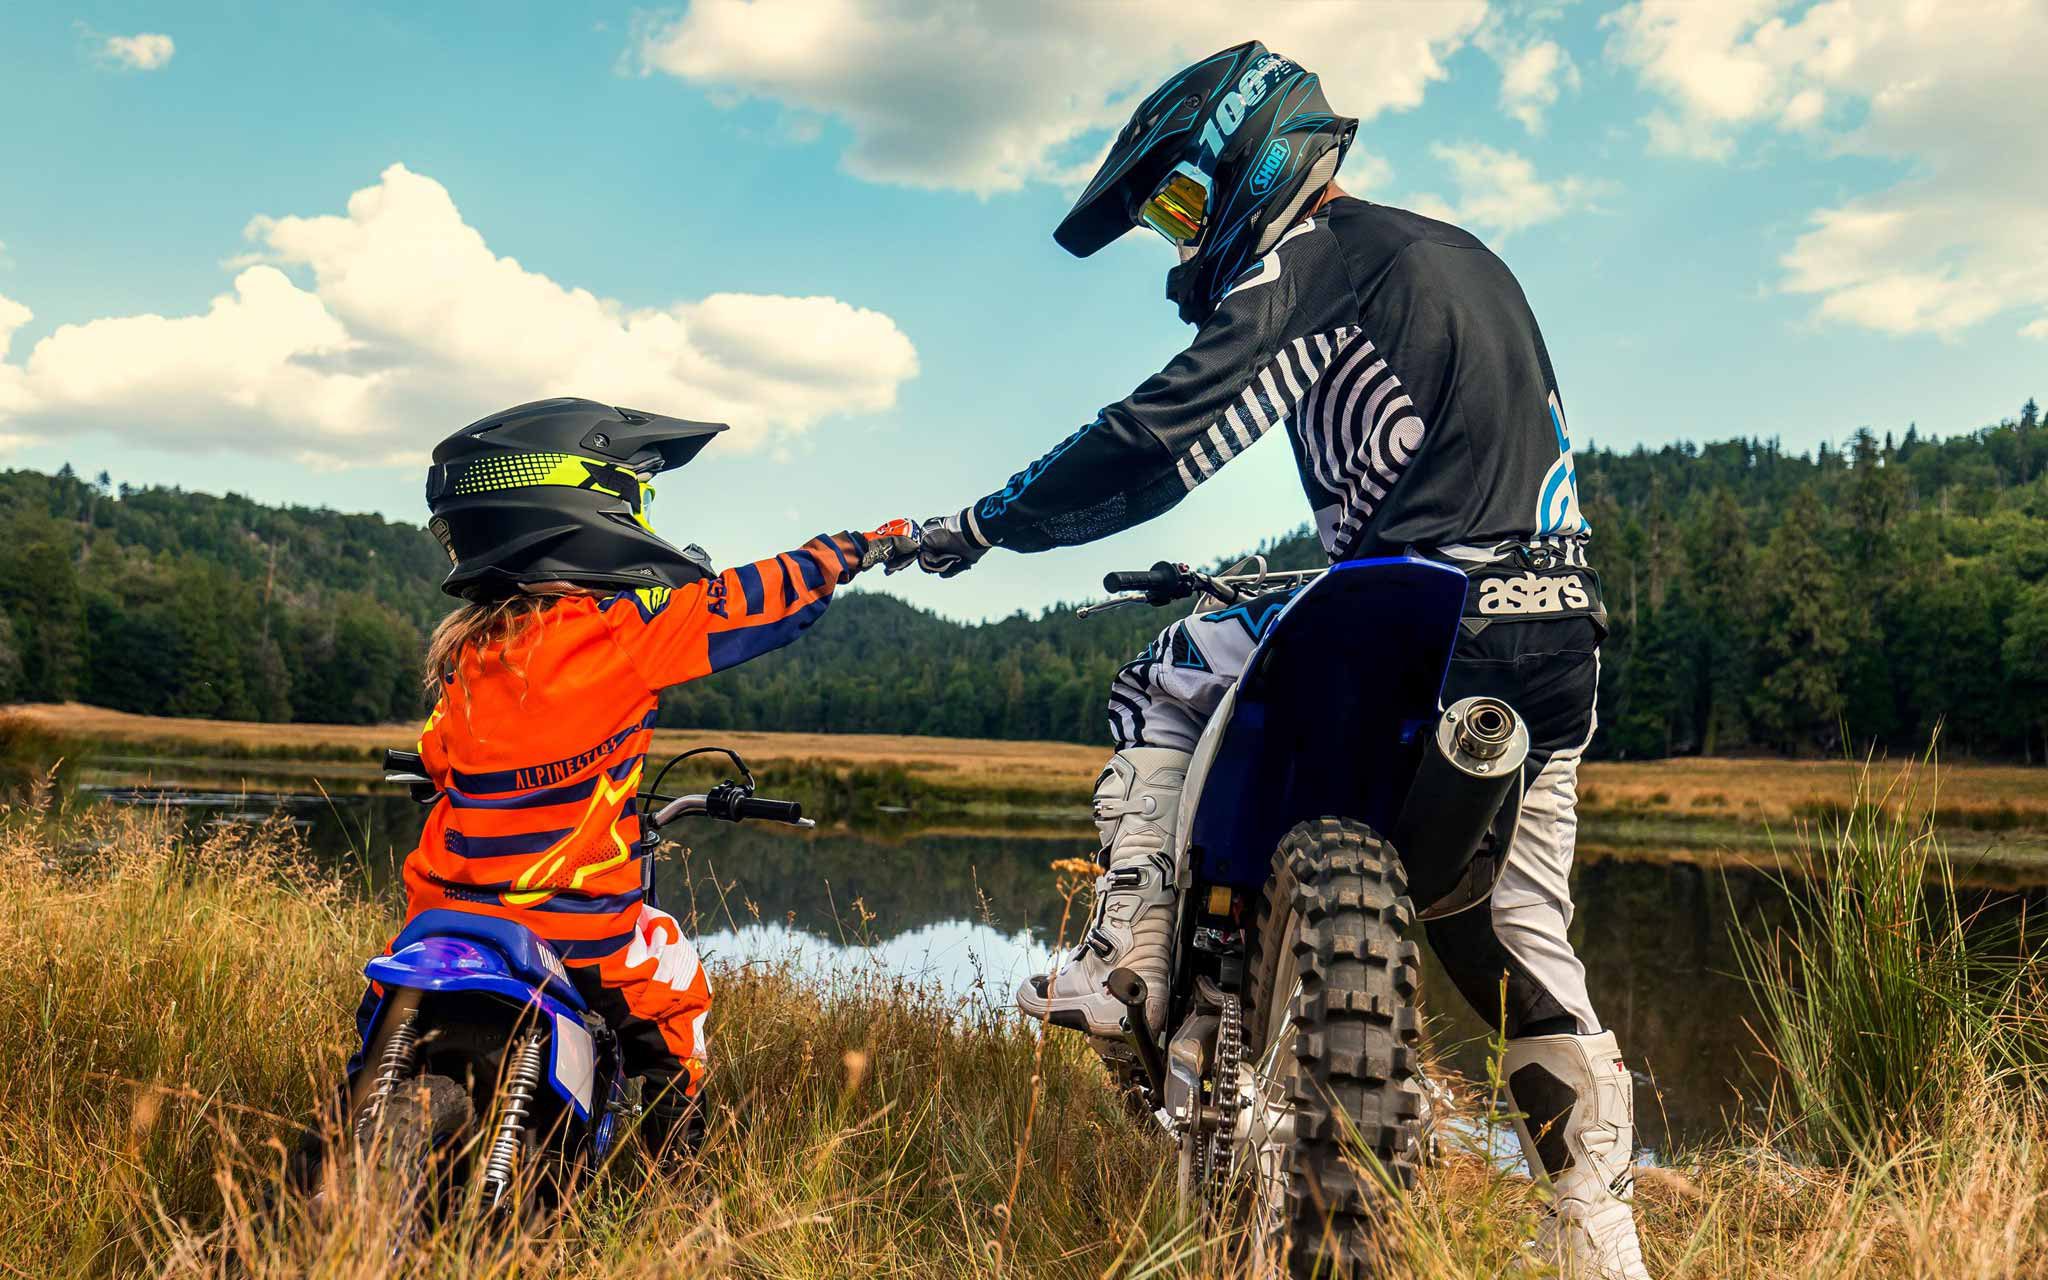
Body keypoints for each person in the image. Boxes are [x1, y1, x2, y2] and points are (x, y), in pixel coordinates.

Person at [894, 41, 1650, 1280]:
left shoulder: (1324, 252)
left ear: (1247, 153)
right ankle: (1597, 1234)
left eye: (1179, 203)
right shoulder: (1463, 256)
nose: (1182, 239)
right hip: (1551, 629)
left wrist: (987, 522)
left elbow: (1164, 435)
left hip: (1417, 596)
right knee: (1515, 933)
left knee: (1167, 666)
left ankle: (1127, 953)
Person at [358, 396, 912, 1156]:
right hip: (571, 924)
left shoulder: (466, 653)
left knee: (382, 1017)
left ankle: (354, 1132)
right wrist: (857, 548)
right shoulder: (619, 632)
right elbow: (754, 600)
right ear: (590, 505)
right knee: (675, 982)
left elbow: (438, 754)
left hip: (442, 918)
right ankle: (671, 1165)